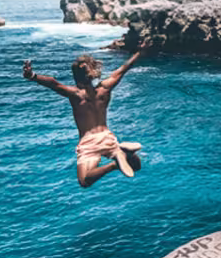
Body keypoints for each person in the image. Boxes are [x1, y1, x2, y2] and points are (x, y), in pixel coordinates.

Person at [23, 48, 149, 188]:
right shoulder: (104, 89)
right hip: (107, 137)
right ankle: (123, 153)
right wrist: (139, 51)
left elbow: (53, 83)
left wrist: (32, 76)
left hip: (89, 141)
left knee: (84, 181)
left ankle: (114, 164)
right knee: (135, 167)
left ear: (76, 77)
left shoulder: (76, 95)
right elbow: (123, 69)